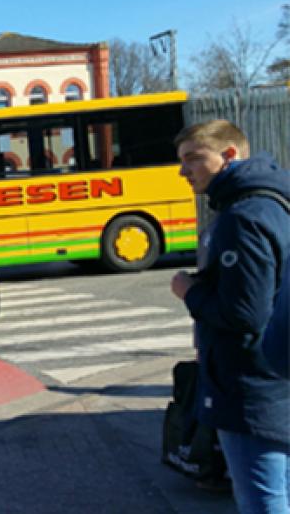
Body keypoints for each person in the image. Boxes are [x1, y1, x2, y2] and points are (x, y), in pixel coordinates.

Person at [170, 120, 290, 513]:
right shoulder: (274, 202)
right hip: (276, 376)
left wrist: (190, 291)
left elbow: (244, 313)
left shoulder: (243, 216)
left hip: (252, 388)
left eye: (193, 158)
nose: (183, 170)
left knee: (263, 501)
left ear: (230, 155)